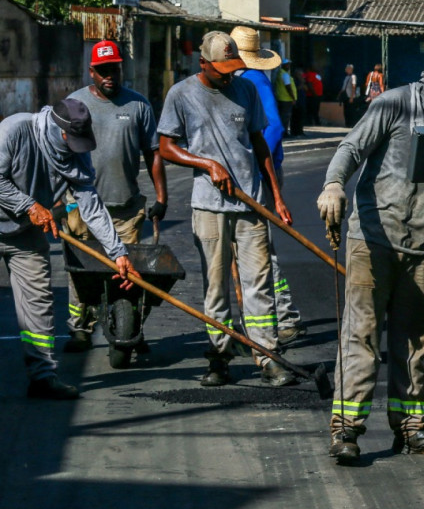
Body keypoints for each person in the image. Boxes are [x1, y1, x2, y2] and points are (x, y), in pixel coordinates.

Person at [318, 35, 424, 464]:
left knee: (415, 340)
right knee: (361, 334)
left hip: (423, 242)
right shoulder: (394, 102)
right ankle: (346, 430)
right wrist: (333, 184)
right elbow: (351, 147)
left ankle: (411, 427)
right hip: (372, 239)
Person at [157, 31, 297, 388]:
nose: (228, 75)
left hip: (249, 202)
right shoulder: (182, 94)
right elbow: (166, 147)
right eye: (221, 69)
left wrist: (276, 197)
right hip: (209, 206)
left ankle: (269, 357)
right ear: (202, 62)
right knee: (215, 287)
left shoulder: (246, 90)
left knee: (259, 284)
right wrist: (206, 164)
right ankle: (219, 357)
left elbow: (259, 144)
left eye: (233, 68)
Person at [0, 98, 138, 399]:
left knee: (38, 303)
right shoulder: (14, 131)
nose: (74, 148)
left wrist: (117, 252)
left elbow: (91, 204)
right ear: (56, 129)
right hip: (18, 216)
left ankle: (43, 377)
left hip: (24, 234)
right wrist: (28, 205)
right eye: (70, 140)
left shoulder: (76, 153)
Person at [62, 40, 168, 354]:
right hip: (82, 209)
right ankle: (80, 328)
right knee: (81, 273)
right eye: (103, 70)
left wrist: (161, 196)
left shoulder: (138, 106)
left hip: (126, 208)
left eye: (115, 69)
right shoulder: (74, 104)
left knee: (127, 273)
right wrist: (57, 199)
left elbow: (153, 154)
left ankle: (131, 327)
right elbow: (59, 155)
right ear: (91, 71)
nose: (110, 75)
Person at [230, 27, 305, 346]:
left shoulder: (252, 80)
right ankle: (272, 316)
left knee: (260, 248)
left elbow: (272, 127)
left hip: (260, 176)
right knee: (252, 249)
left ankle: (285, 317)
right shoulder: (249, 78)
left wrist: (261, 168)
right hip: (257, 174)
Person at [273, 57, 298, 138]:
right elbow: (288, 86)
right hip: (286, 99)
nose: (289, 66)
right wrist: (293, 98)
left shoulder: (280, 73)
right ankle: (284, 133)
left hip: (281, 98)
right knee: (285, 117)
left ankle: (282, 132)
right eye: (287, 65)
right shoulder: (285, 74)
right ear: (284, 65)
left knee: (283, 116)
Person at [291, 64, 307, 137]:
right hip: (297, 100)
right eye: (300, 74)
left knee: (301, 116)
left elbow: (306, 89)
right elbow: (296, 89)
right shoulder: (295, 80)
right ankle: (295, 131)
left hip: (302, 100)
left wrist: (303, 83)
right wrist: (302, 83)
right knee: (296, 117)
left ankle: (300, 131)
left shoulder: (302, 81)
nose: (301, 76)